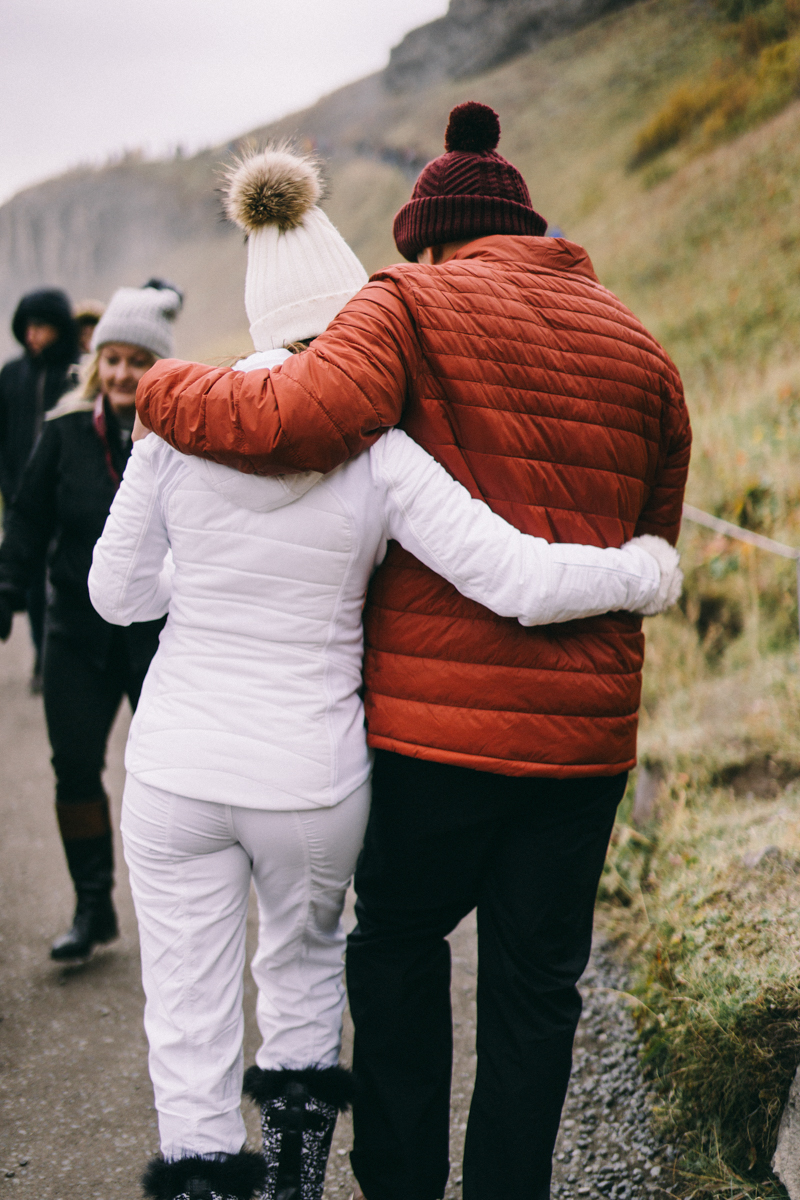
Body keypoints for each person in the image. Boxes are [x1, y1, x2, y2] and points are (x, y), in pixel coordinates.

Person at [89, 145, 682, 1200]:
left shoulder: (175, 431)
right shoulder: (391, 446)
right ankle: (307, 1180)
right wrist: (643, 569)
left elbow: (117, 595)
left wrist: (208, 569)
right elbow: (517, 573)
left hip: (192, 757)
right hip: (334, 771)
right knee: (338, 972)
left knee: (208, 1001)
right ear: (349, 303)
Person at [0, 280, 183, 965]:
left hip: (155, 637)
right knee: (74, 768)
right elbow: (26, 519)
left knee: (168, 774)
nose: (122, 373)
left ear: (159, 366)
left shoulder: (181, 439)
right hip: (74, 635)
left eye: (138, 360)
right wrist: (7, 588)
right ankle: (92, 905)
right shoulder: (64, 434)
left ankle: (173, 914)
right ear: (95, 362)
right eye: (112, 358)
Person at [0, 288, 80, 686]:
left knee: (62, 579)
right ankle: (40, 655)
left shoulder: (76, 373)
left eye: (42, 326)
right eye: (27, 326)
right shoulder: (11, 376)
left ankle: (61, 654)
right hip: (21, 499)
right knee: (30, 585)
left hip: (65, 499)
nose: (33, 334)